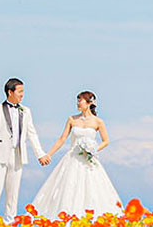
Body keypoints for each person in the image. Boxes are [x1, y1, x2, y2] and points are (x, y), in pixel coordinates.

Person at [30, 90, 124, 219]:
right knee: (69, 189)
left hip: (89, 160)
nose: (78, 103)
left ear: (89, 102)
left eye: (80, 100)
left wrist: (93, 149)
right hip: (72, 158)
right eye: (78, 100)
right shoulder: (72, 119)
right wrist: (49, 154)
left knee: (92, 190)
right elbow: (62, 139)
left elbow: (106, 141)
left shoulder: (98, 122)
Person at [0, 77, 50, 220]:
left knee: (13, 192)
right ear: (10, 92)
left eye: (23, 91)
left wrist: (40, 154)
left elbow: (32, 133)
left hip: (18, 155)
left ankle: (10, 221)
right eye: (20, 91)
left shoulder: (26, 111)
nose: (22, 94)